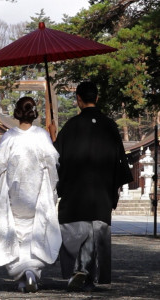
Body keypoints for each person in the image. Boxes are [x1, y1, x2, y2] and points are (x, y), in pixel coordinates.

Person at [49, 81, 133, 292]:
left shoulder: (70, 126)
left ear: (78, 99)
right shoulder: (110, 126)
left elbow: (55, 159)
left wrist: (52, 137)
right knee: (97, 230)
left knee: (74, 231)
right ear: (97, 98)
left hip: (75, 193)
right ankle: (88, 272)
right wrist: (113, 188)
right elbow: (120, 162)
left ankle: (79, 270)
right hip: (101, 192)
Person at [0, 96, 61, 293]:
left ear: (17, 112)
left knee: (15, 231)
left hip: (15, 194)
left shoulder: (9, 137)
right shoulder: (41, 135)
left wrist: (0, 192)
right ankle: (31, 272)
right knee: (36, 231)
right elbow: (52, 162)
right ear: (33, 113)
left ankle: (23, 276)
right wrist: (52, 136)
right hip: (37, 192)